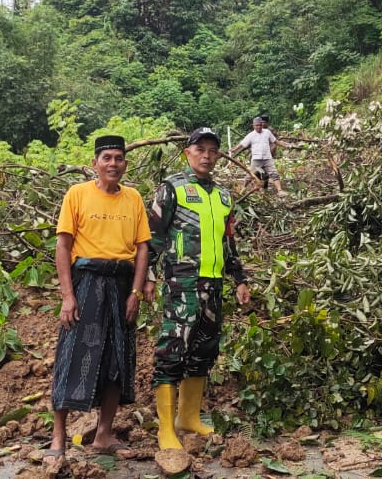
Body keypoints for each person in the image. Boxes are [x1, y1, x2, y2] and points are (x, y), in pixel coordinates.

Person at [48, 135, 152, 464]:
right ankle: (58, 436)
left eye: (119, 158)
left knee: (116, 361)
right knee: (73, 355)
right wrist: (68, 296)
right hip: (87, 282)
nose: (113, 164)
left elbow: (142, 249)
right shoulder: (77, 195)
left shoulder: (133, 198)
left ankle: (104, 434)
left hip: (121, 286)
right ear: (95, 163)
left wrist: (135, 292)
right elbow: (63, 246)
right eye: (106, 157)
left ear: (125, 163)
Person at [148, 127, 251, 450]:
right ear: (187, 153)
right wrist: (148, 275)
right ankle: (166, 429)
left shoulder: (223, 196)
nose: (207, 156)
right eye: (200, 149)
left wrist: (240, 279)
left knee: (204, 350)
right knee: (172, 350)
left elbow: (228, 240)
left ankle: (188, 418)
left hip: (214, 283)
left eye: (212, 150)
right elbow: (153, 236)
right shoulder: (171, 189)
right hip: (182, 282)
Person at [230, 117, 285, 195]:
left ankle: (280, 190)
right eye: (256, 125)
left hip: (267, 158)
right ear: (253, 126)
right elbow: (242, 143)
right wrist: (234, 149)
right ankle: (243, 189)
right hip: (256, 159)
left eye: (260, 125)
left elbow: (275, 141)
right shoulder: (251, 135)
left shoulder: (267, 132)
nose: (258, 127)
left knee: (274, 173)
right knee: (250, 175)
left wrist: (285, 145)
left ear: (262, 125)